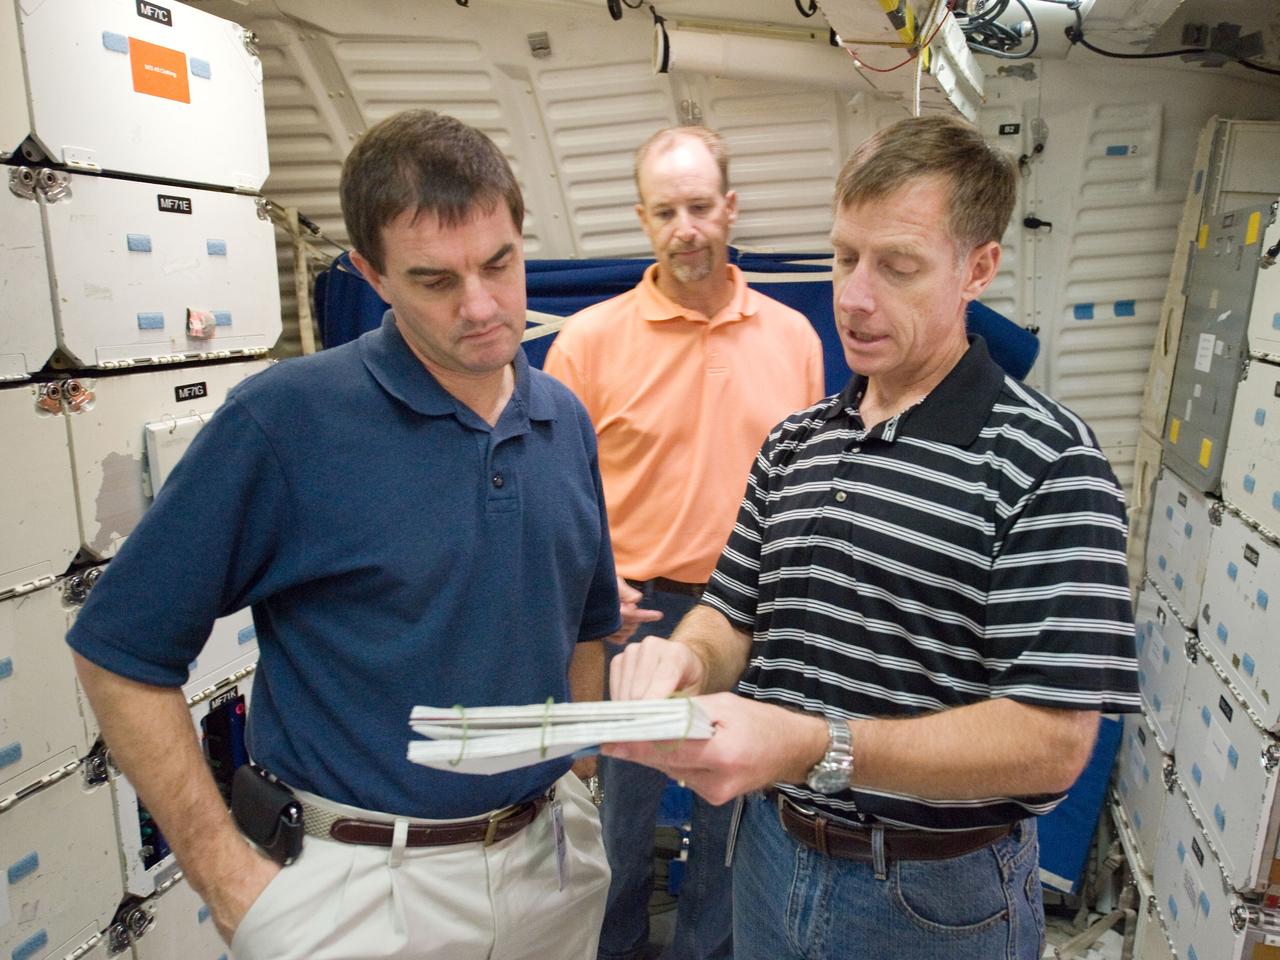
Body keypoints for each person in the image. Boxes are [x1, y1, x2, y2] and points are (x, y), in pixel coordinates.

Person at [68, 110, 618, 960]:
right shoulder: (285, 421)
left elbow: (585, 625)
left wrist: (579, 776)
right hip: (362, 890)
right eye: (435, 280)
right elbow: (119, 653)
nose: (482, 307)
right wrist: (224, 877)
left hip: (551, 866)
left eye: (500, 264)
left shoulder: (564, 418)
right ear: (371, 273)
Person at [603, 113, 1141, 960]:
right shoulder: (796, 441)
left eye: (897, 267)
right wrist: (688, 660)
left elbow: (1051, 745)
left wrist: (816, 745)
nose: (852, 297)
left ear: (979, 268)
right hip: (769, 858)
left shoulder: (1049, 461)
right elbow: (733, 611)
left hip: (934, 900)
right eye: (845, 256)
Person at [544, 126, 824, 960]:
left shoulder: (793, 339)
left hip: (754, 617)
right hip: (635, 622)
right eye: (666, 210)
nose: (686, 227)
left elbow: (803, 487)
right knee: (618, 829)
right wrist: (593, 598)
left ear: (729, 209)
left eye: (700, 206)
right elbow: (553, 503)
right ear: (643, 218)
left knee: (733, 830)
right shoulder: (587, 343)